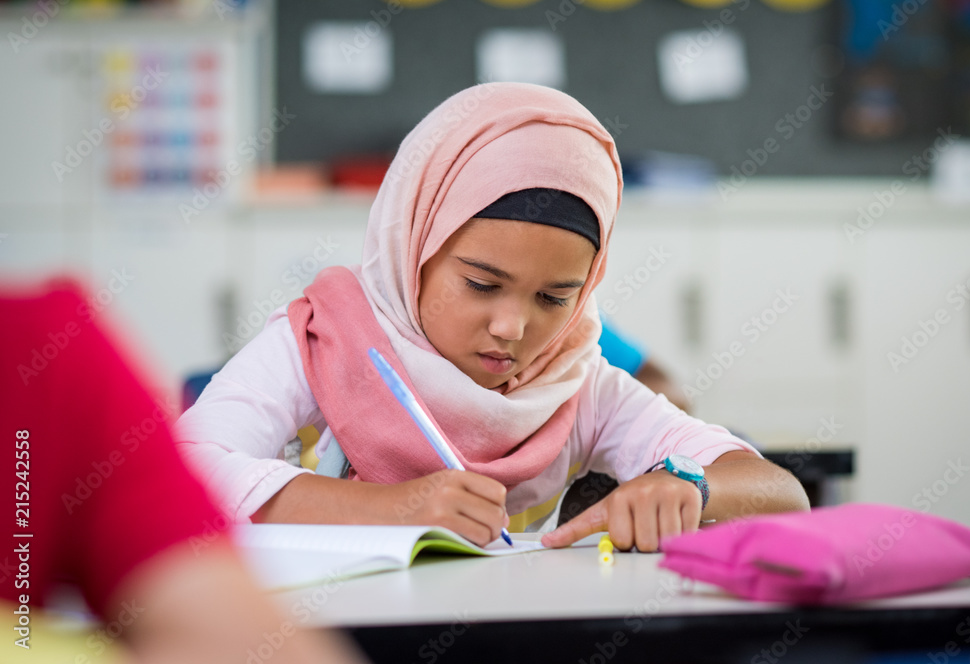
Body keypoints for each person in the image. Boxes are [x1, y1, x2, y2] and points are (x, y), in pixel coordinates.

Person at [176, 83, 808, 553]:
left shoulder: (577, 385)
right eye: (482, 284)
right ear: (415, 249)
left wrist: (692, 488)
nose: (512, 327)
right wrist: (389, 507)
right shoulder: (324, 341)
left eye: (555, 298)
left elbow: (781, 493)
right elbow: (183, 470)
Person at [0, 280, 366, 663]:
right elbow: (203, 457)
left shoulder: (51, 349)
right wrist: (393, 504)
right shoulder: (327, 328)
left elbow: (226, 632)